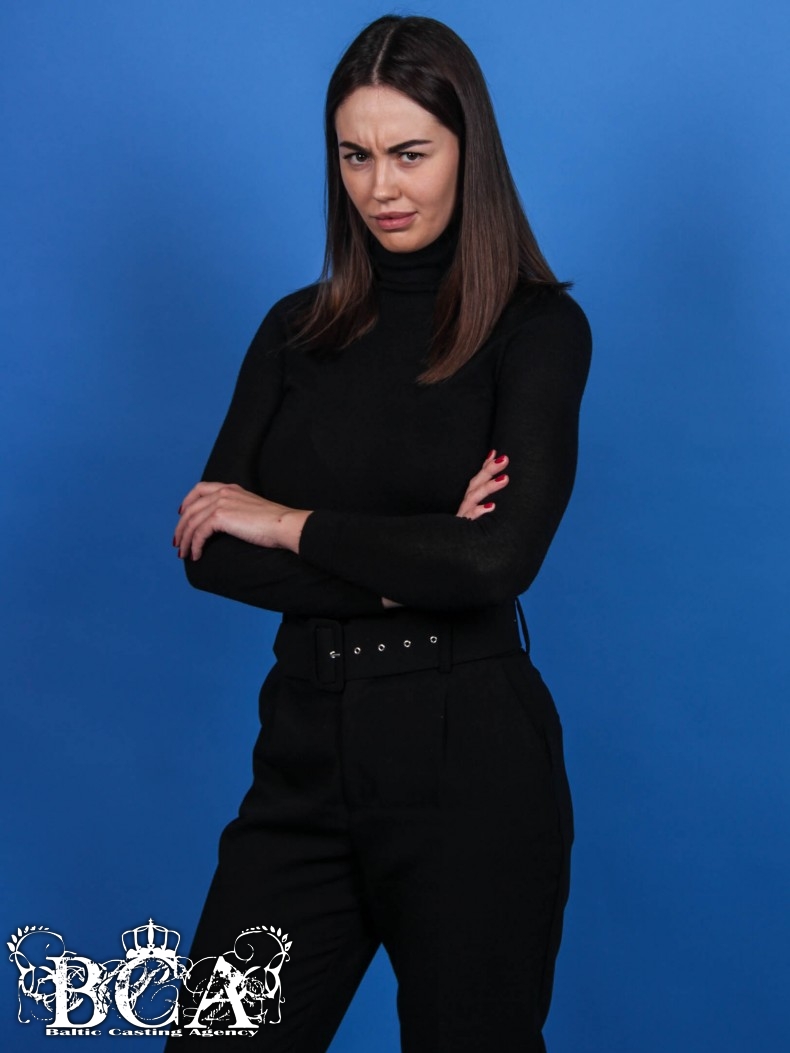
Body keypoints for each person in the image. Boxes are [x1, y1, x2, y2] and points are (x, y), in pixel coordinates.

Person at [169, 13, 591, 1053]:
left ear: (468, 151)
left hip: (468, 757)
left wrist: (288, 522)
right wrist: (419, 559)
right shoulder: (294, 329)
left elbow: (497, 559)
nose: (380, 187)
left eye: (410, 153)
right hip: (302, 751)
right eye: (354, 156)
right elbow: (212, 553)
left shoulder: (536, 330)